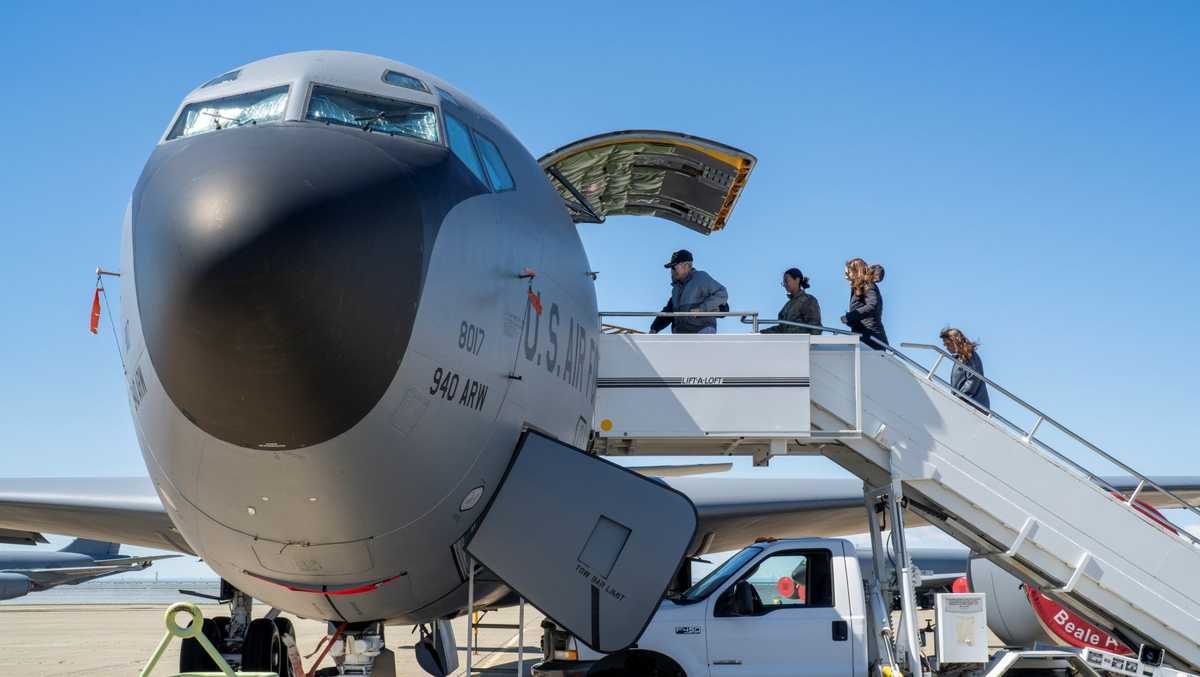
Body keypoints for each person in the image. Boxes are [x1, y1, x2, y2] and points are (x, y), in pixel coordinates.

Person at [649, 250, 729, 334]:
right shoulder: (677, 289)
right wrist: (654, 328)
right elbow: (669, 311)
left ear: (687, 266)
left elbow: (722, 294)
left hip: (701, 331)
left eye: (674, 267)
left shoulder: (701, 278)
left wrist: (701, 309)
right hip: (682, 336)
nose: (672, 271)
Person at [840, 258, 889, 348]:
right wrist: (850, 320)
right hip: (865, 336)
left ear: (856, 272)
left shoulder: (867, 285)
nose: (846, 276)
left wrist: (850, 316)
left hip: (871, 337)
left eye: (848, 273)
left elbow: (872, 306)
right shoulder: (860, 287)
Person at [940, 327, 991, 412]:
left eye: (948, 344)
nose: (946, 347)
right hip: (968, 403)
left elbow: (973, 379)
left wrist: (960, 397)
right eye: (944, 345)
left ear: (956, 341)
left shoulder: (969, 355)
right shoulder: (961, 357)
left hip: (973, 404)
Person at [762, 268, 822, 334]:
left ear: (797, 280)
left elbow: (815, 327)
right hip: (788, 342)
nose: (784, 284)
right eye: (783, 282)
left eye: (786, 281)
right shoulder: (787, 305)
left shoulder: (808, 300)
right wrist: (762, 333)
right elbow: (782, 328)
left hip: (801, 342)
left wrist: (812, 342)